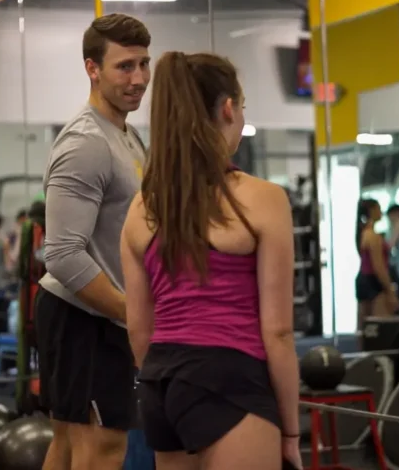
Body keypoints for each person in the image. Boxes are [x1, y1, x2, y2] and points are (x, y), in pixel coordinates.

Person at [120, 51, 302, 470]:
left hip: (162, 385)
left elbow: (139, 330)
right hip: (230, 381)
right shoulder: (263, 199)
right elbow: (278, 332)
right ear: (228, 108)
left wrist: (175, 382)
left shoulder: (141, 209)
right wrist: (290, 431)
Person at [35, 13, 151, 470]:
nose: (138, 78)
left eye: (144, 64)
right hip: (84, 317)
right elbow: (62, 254)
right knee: (100, 449)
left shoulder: (127, 136)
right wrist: (132, 313)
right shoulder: (85, 142)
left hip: (99, 318)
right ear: (92, 68)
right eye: (125, 66)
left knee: (69, 447)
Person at [355, 199, 398, 330]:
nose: (381, 212)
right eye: (379, 208)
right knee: (381, 328)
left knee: (364, 327)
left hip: (363, 279)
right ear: (372, 211)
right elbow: (378, 267)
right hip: (373, 280)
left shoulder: (363, 234)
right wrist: (390, 290)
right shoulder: (372, 236)